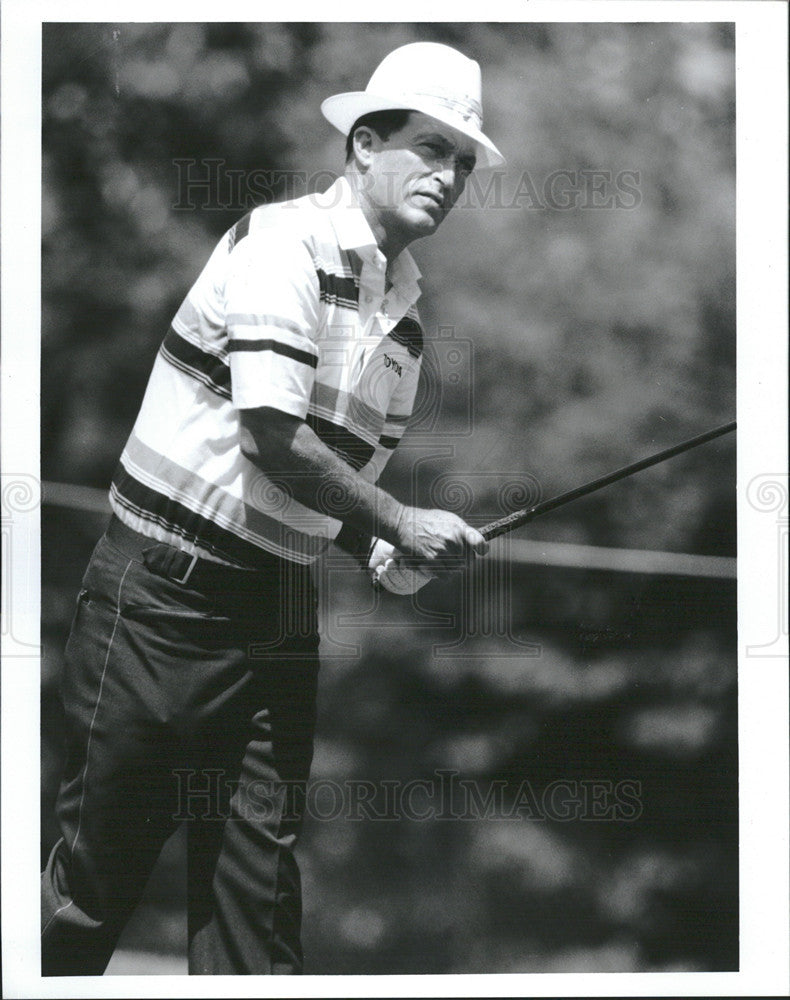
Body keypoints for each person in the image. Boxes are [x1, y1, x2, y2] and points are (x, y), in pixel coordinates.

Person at [41, 40, 505, 975]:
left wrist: (390, 555)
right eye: (428, 146)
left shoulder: (407, 326)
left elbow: (332, 498)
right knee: (89, 897)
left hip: (277, 622)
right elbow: (272, 440)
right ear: (363, 145)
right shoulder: (279, 244)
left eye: (462, 159)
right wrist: (398, 523)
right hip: (155, 605)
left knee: (256, 927)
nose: (447, 174)